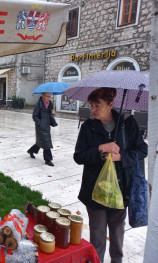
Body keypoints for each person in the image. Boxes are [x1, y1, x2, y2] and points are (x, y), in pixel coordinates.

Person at [74, 87, 147, 263]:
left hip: (121, 191)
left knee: (117, 237)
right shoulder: (88, 127)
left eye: (98, 105)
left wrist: (121, 156)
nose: (93, 110)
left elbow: (142, 150)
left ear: (111, 104)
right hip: (95, 192)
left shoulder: (128, 124)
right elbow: (79, 156)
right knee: (97, 239)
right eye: (91, 105)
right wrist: (101, 149)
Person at [27, 92, 56, 166]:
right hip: (40, 127)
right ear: (43, 96)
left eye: (49, 96)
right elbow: (34, 116)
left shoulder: (50, 104)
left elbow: (50, 115)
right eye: (47, 96)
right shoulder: (38, 105)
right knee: (46, 143)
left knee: (40, 142)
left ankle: (31, 151)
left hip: (47, 126)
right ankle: (48, 160)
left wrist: (52, 113)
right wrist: (40, 123)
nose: (48, 98)